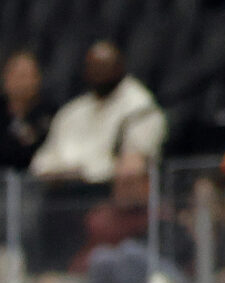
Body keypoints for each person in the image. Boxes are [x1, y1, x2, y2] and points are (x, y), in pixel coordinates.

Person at [30, 43, 165, 184]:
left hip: (108, 190)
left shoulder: (140, 108)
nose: (98, 72)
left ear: (120, 67)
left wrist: (84, 173)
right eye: (93, 67)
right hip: (60, 190)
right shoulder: (71, 112)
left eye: (104, 66)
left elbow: (133, 167)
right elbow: (40, 163)